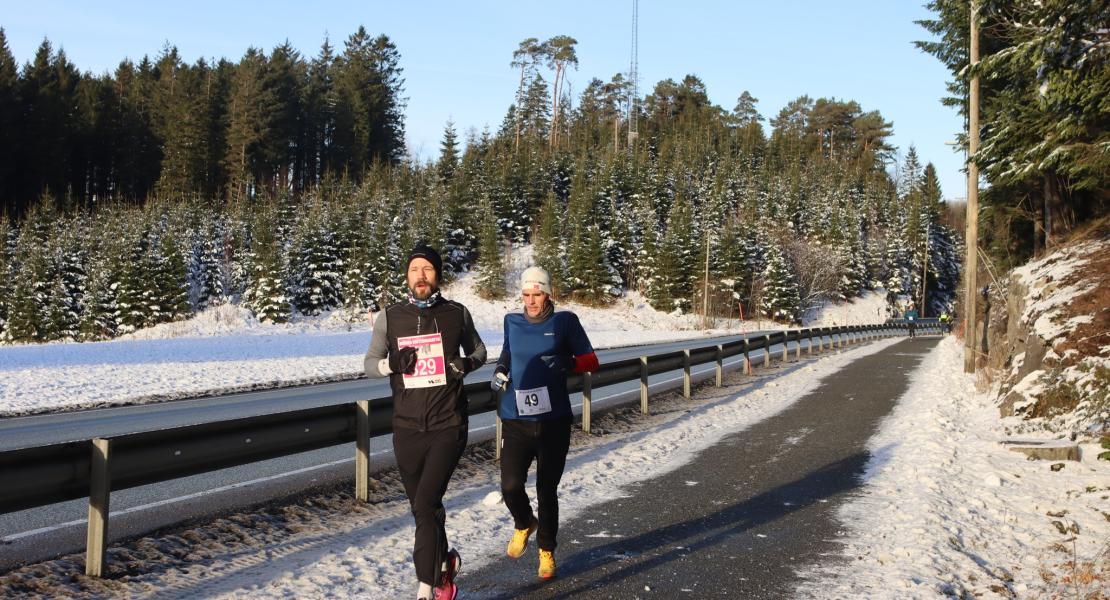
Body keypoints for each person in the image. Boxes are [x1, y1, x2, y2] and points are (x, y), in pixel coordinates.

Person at [364, 244, 486, 600]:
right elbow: (370, 363)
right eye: (414, 269)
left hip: (448, 424)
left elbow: (480, 351)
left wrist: (466, 364)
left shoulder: (456, 313)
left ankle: (426, 587)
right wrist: (391, 364)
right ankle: (444, 563)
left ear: (437, 275)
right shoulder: (390, 317)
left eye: (427, 269)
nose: (421, 276)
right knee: (424, 508)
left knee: (426, 503)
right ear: (407, 276)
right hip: (406, 428)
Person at [491, 266, 599, 580]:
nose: (531, 301)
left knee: (546, 489)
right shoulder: (511, 321)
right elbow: (508, 351)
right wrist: (500, 369)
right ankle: (524, 522)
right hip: (515, 418)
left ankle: (547, 550)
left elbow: (591, 361)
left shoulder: (565, 322)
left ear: (548, 294)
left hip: (554, 422)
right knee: (510, 486)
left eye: (537, 294)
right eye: (526, 294)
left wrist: (569, 362)